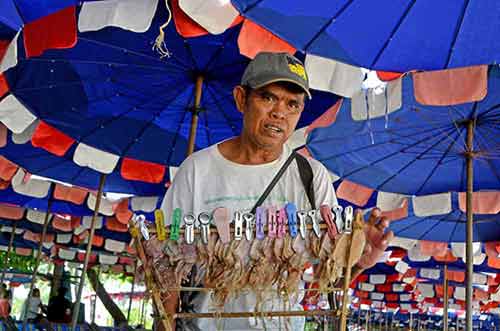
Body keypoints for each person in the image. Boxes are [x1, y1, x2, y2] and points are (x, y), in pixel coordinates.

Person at [161, 52, 393, 330]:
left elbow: (324, 280)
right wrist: (164, 322)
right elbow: (167, 259)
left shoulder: (311, 176)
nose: (279, 112)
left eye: (292, 104)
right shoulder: (197, 170)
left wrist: (359, 261)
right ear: (240, 98)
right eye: (268, 97)